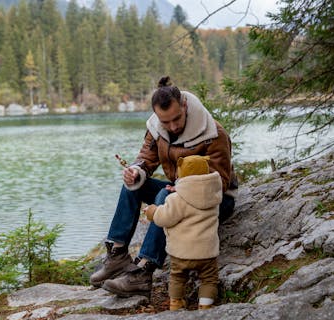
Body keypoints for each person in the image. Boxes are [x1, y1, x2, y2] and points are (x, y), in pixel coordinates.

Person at [89, 76, 237, 297]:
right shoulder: (157, 128)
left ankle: (143, 272)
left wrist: (183, 190)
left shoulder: (213, 133)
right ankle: (117, 255)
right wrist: (136, 172)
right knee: (133, 186)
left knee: (164, 196)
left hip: (217, 199)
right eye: (165, 121)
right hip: (179, 190)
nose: (172, 126)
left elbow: (221, 182)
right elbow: (146, 160)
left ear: (184, 105)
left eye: (177, 118)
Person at [143, 155, 222, 310]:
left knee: (177, 277)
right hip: (207, 252)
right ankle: (205, 305)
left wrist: (152, 211)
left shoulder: (176, 199)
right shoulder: (214, 197)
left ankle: (176, 303)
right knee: (209, 279)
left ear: (181, 175)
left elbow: (165, 217)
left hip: (181, 253)